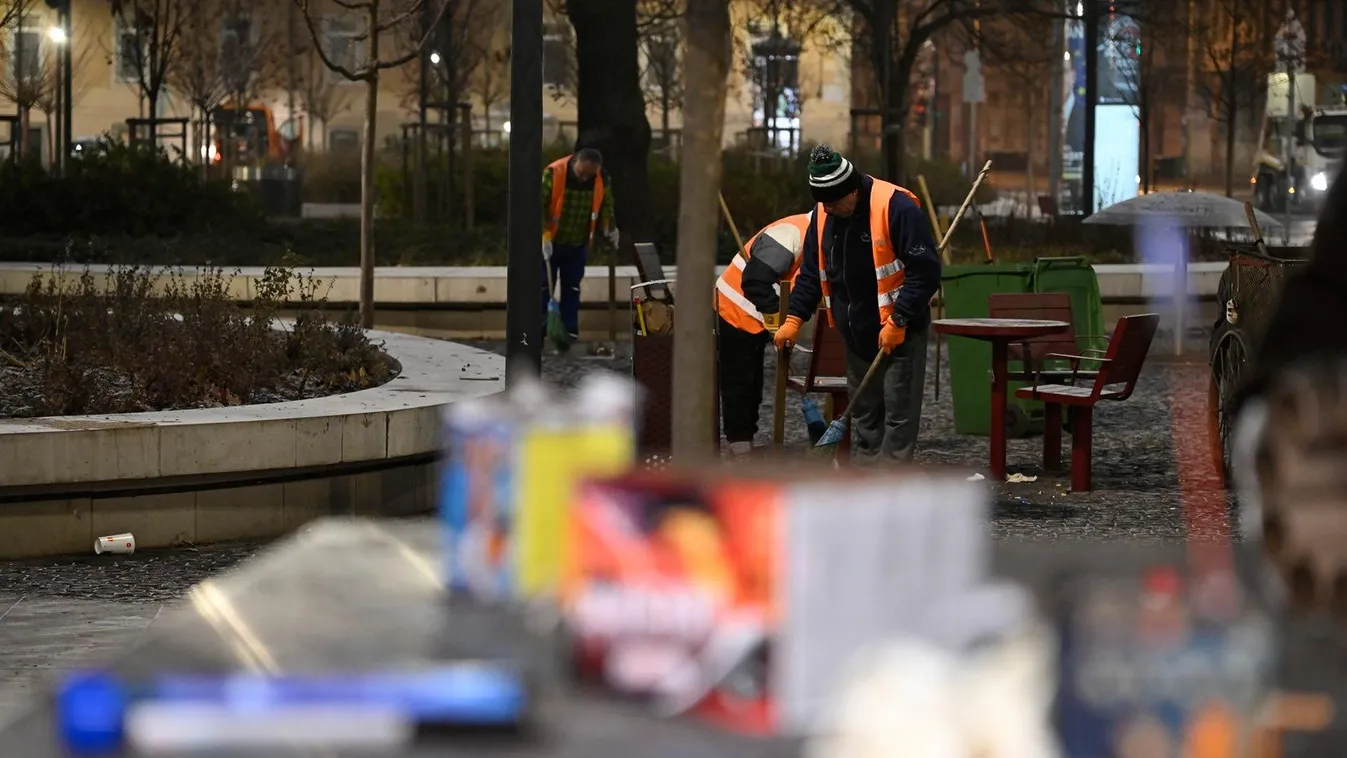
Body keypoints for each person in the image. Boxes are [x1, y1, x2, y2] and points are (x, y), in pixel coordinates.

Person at [773, 145, 941, 463]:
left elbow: (926, 271)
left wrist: (900, 319)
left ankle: (891, 487)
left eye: (835, 202)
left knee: (898, 418)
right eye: (824, 203)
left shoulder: (895, 207)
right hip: (856, 336)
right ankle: (864, 483)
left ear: (852, 190)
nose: (829, 209)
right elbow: (812, 271)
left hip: (899, 334)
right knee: (865, 417)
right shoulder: (823, 215)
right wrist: (794, 318)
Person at [714, 212, 815, 458]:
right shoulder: (791, 234)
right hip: (735, 307)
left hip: (760, 311)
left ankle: (746, 440)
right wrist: (775, 318)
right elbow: (755, 281)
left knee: (754, 379)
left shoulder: (816, 238)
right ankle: (740, 445)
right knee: (740, 378)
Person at [541, 148, 618, 345]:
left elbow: (606, 206)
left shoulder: (602, 178)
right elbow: (538, 205)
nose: (584, 178)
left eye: (589, 175)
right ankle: (538, 333)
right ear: (575, 162)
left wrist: (609, 228)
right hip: (551, 242)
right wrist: (543, 235)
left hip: (577, 245)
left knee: (572, 288)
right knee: (543, 288)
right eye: (581, 173)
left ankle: (569, 333)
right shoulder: (554, 173)